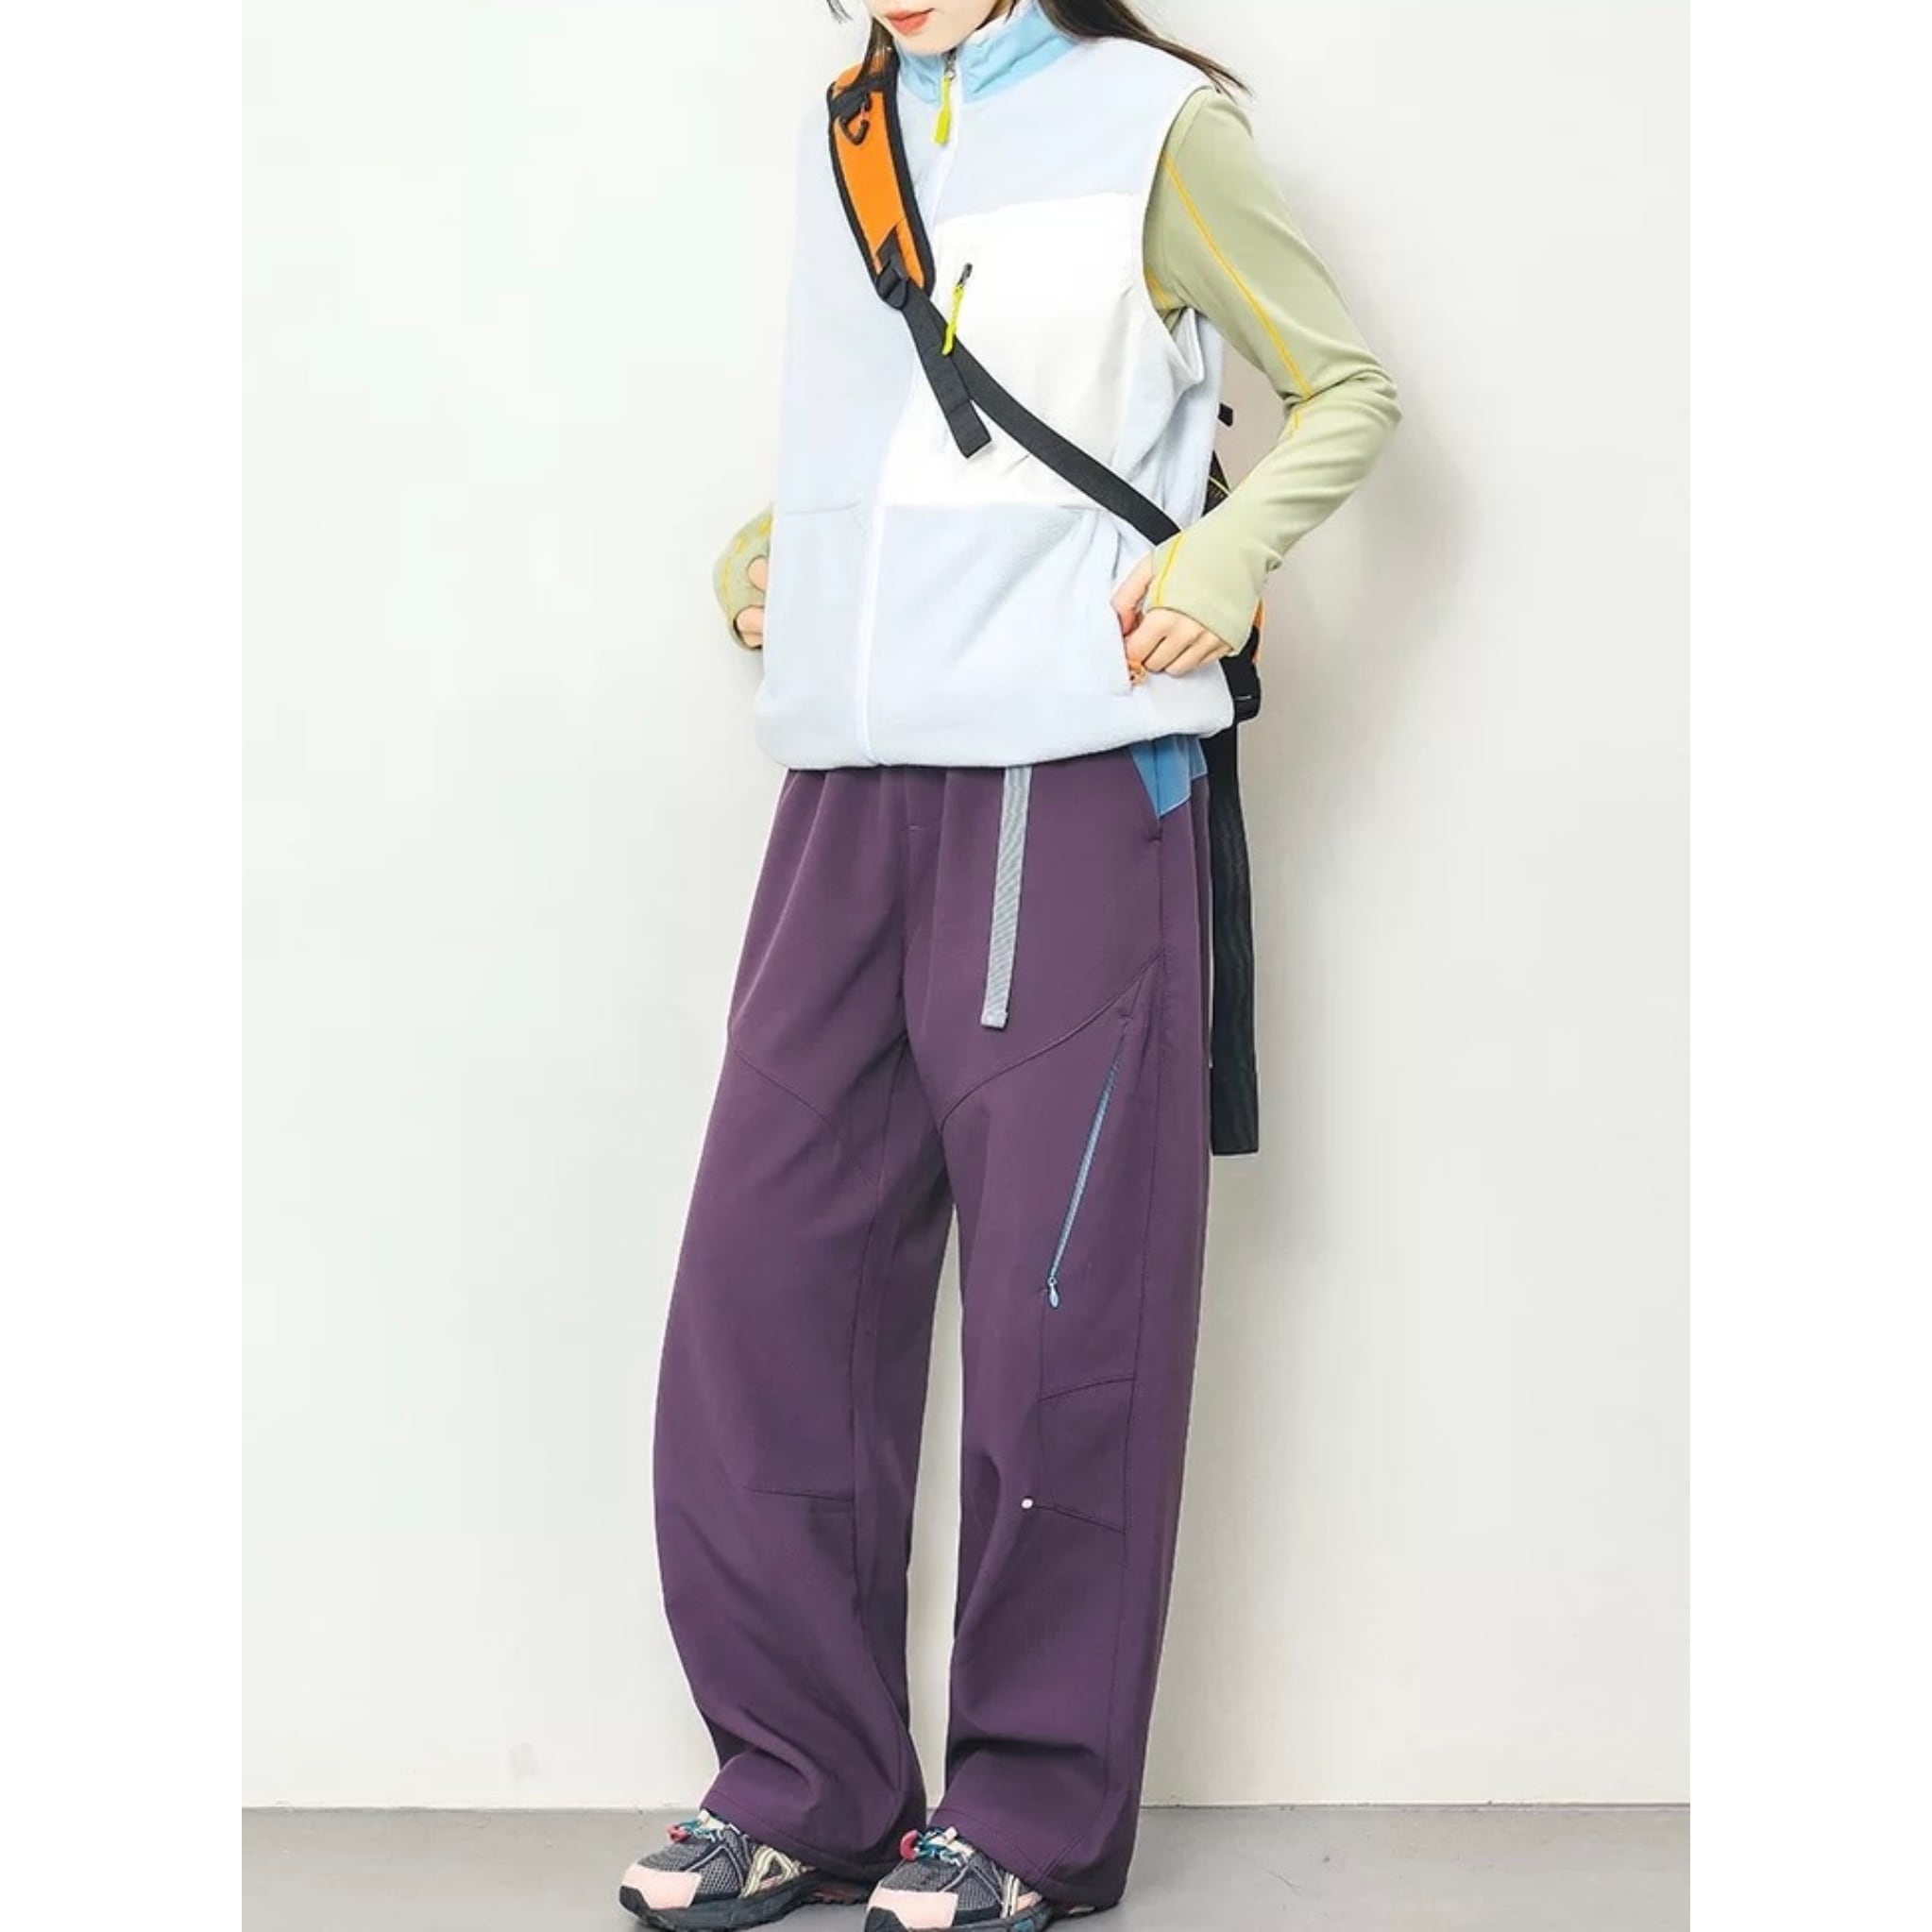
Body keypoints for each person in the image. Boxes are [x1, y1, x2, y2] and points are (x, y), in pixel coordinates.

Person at [621, 3, 1399, 1927]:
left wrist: (1227, 558)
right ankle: (802, 1779)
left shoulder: (1157, 126)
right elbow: (911, 427)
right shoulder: (848, 125)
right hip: (844, 791)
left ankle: (1029, 1816)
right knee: (764, 1298)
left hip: (1067, 774)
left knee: (1066, 1324)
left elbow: (1351, 390)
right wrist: (777, 546)